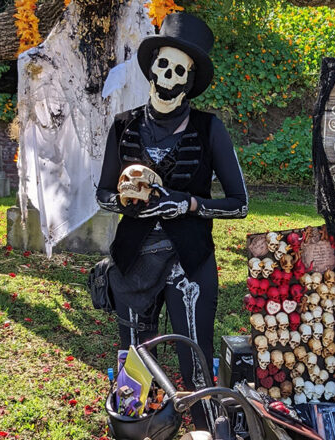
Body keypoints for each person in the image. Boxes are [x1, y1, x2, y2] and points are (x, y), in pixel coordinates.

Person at [95, 13, 248, 430]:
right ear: (152, 68)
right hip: (133, 261)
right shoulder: (123, 125)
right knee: (134, 362)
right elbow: (103, 193)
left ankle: (202, 426)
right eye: (163, 65)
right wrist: (127, 203)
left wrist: (188, 205)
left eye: (179, 69)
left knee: (194, 357)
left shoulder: (209, 128)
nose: (168, 75)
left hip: (190, 263)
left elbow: (239, 204)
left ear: (190, 78)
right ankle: (136, 428)